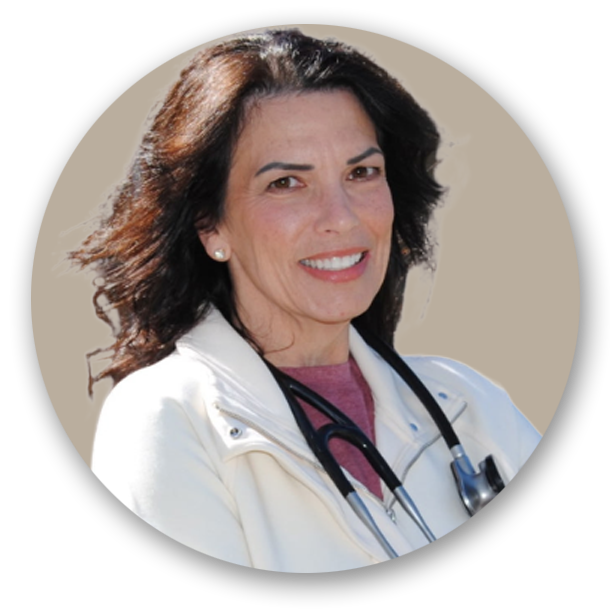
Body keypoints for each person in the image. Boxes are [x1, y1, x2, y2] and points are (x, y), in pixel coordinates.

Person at [71, 29, 540, 572]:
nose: (342, 217)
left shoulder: (471, 403)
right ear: (210, 225)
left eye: (362, 172)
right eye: (286, 183)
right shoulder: (164, 419)